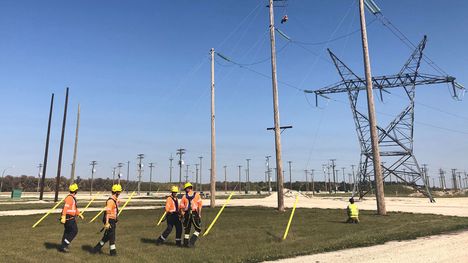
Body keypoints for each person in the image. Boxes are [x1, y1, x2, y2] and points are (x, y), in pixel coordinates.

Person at [92, 184, 121, 256]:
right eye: (119, 192)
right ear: (116, 192)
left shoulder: (114, 200)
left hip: (112, 220)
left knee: (107, 236)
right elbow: (108, 212)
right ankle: (113, 252)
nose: (120, 193)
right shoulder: (111, 201)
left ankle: (96, 248)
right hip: (109, 220)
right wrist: (107, 222)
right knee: (112, 236)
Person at [59, 183, 84, 252]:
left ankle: (62, 246)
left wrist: (79, 214)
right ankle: (64, 245)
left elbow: (74, 208)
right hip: (69, 218)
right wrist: (63, 216)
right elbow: (65, 208)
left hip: (70, 217)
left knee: (67, 231)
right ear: (75, 191)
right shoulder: (70, 198)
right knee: (74, 231)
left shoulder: (72, 198)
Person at [179, 182, 202, 247]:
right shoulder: (197, 195)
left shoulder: (184, 196)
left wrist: (182, 214)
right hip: (194, 213)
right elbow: (200, 205)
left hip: (187, 214)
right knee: (198, 229)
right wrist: (199, 214)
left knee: (187, 229)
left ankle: (185, 244)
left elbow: (181, 206)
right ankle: (191, 242)